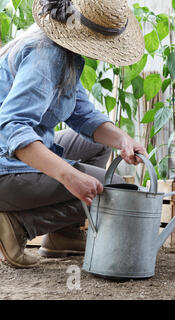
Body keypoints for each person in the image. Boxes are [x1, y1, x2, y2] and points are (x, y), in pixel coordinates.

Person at [0, 0, 147, 268]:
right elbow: (12, 128)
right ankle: (18, 225)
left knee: (99, 147)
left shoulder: (65, 54)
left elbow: (83, 115)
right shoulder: (46, 54)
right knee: (115, 190)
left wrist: (123, 140)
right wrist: (70, 176)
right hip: (6, 165)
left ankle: (63, 235)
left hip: (15, 157)